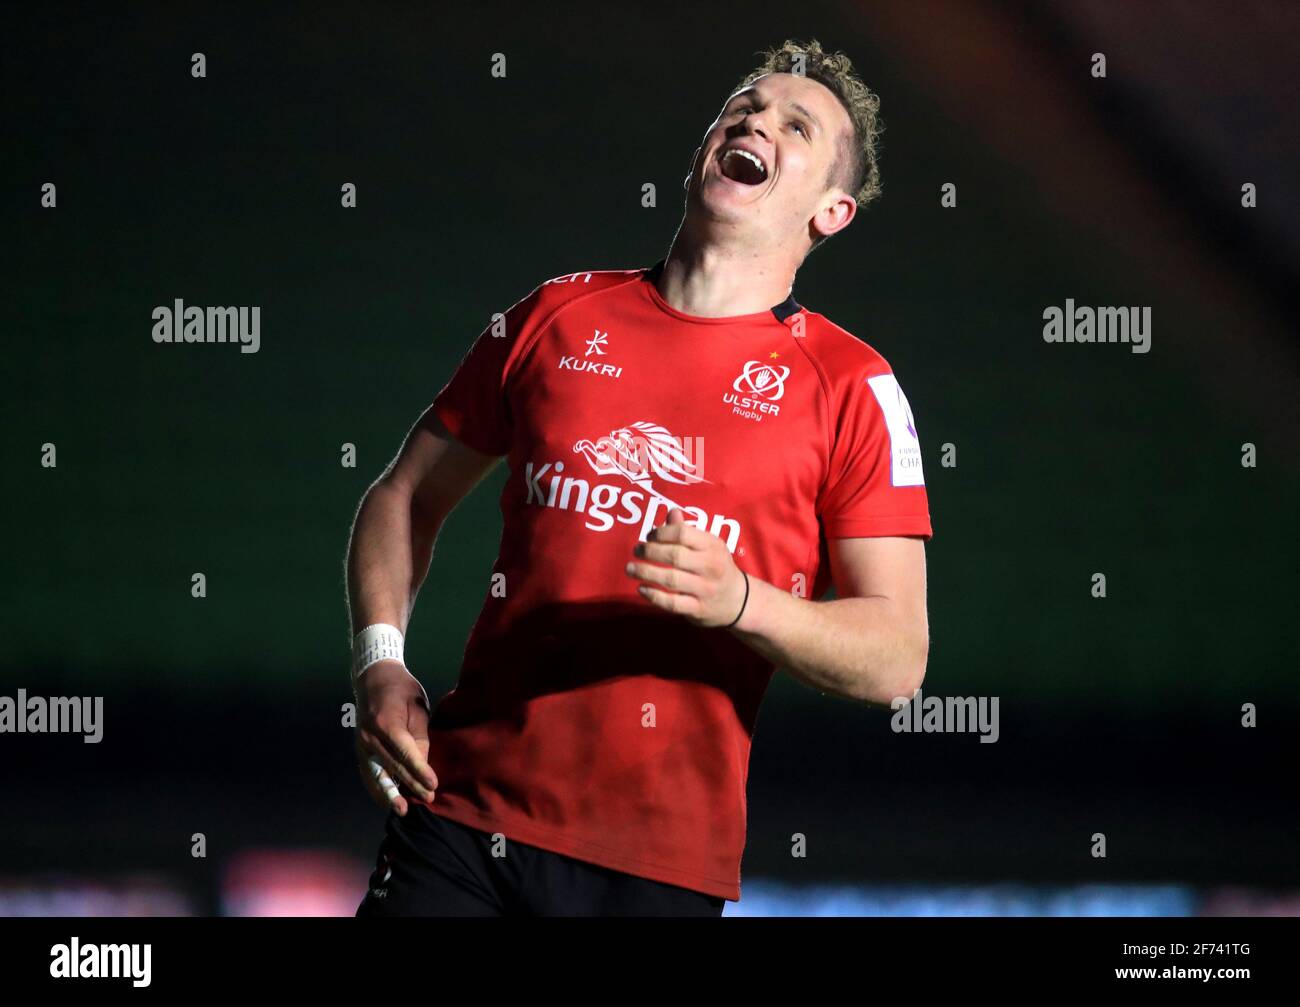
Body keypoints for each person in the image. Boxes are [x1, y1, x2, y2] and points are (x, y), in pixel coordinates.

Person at [348, 38, 932, 916]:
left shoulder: (854, 386)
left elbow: (897, 658)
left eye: (796, 125)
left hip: (656, 869)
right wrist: (380, 663)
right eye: (744, 104)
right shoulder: (556, 314)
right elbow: (403, 496)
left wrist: (743, 601)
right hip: (461, 817)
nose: (756, 121)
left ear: (832, 211)